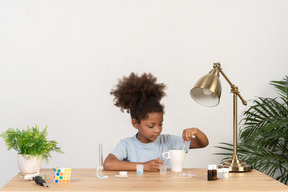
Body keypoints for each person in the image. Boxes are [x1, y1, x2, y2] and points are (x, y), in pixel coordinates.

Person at [103, 72, 209, 172]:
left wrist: (196, 131)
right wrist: (143, 166)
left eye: (160, 124)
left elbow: (202, 143)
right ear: (135, 123)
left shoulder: (168, 141)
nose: (157, 130)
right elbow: (108, 164)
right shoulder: (127, 145)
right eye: (151, 126)